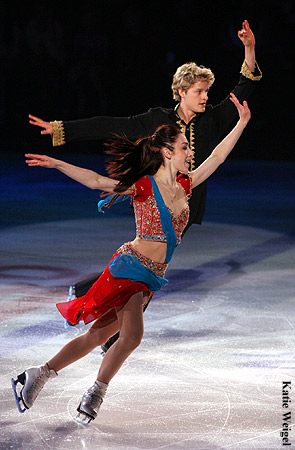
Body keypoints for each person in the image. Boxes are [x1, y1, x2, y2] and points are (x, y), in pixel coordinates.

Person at [12, 93, 250, 425]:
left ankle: (37, 375)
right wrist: (57, 163)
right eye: (184, 148)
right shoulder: (143, 186)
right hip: (129, 268)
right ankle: (95, 393)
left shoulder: (186, 185)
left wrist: (242, 122)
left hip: (151, 276)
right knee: (132, 335)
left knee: (97, 336)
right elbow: (97, 181)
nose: (191, 152)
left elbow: (218, 157)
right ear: (167, 153)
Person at [29, 19, 261, 351]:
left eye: (207, 91)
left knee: (152, 267)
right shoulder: (157, 119)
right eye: (199, 91)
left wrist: (249, 48)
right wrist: (62, 129)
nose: (205, 97)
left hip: (188, 201)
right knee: (149, 265)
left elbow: (245, 86)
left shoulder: (214, 117)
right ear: (181, 91)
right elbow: (111, 125)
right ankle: (104, 319)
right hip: (154, 200)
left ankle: (99, 309)